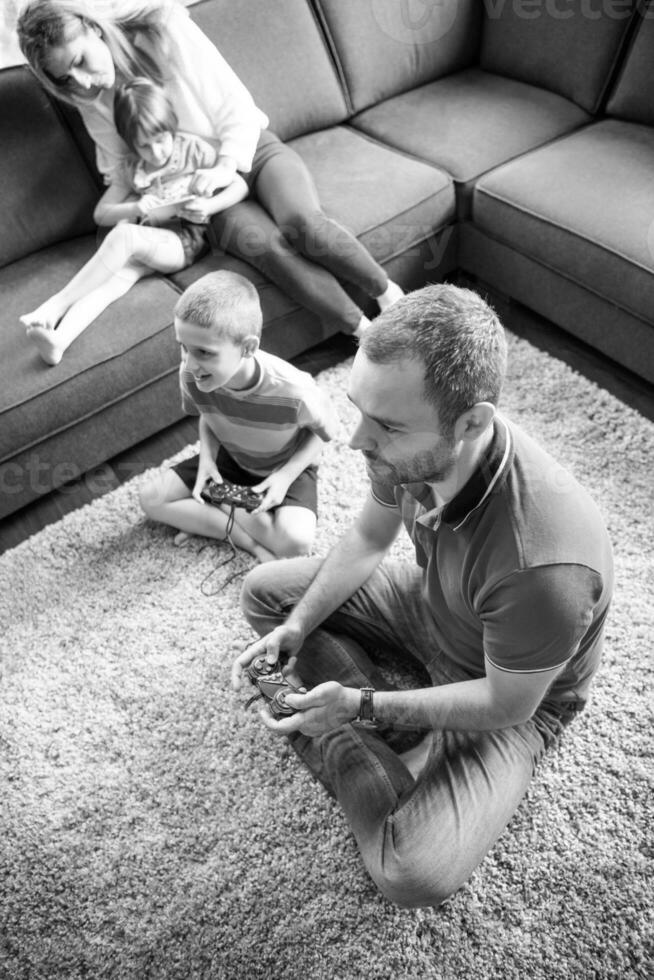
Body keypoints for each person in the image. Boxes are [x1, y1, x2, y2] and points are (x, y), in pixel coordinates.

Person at [232, 283, 614, 908]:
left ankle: (338, 721)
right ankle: (350, 718)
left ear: (471, 423)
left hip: (509, 688)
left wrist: (361, 707)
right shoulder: (407, 452)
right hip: (435, 602)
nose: (356, 441)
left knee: (410, 874)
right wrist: (299, 629)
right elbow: (368, 537)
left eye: (384, 425)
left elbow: (506, 703)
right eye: (359, 409)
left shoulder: (543, 563)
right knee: (266, 596)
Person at [17, 0, 404, 349]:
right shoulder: (90, 98)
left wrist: (222, 167)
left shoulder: (162, 27)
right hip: (205, 200)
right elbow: (121, 167)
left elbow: (234, 105)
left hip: (251, 151)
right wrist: (152, 201)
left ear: (94, 28)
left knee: (301, 222)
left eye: (81, 61)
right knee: (268, 248)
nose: (82, 82)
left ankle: (390, 296)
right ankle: (366, 335)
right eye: (65, 78)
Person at [19, 76, 248, 365]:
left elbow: (240, 186)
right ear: (130, 143)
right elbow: (100, 214)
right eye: (144, 146)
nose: (156, 152)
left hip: (185, 239)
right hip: (148, 239)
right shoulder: (132, 168)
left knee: (124, 236)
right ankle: (59, 341)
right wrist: (136, 205)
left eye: (161, 140)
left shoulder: (193, 150)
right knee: (109, 284)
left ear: (171, 127)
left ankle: (55, 305)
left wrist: (209, 204)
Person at [139, 270, 336, 561]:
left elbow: (324, 436)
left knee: (296, 544)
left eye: (204, 352)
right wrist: (207, 457)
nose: (190, 364)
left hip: (284, 466)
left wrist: (284, 477)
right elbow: (207, 416)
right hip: (228, 460)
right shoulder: (192, 376)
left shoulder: (295, 390)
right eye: (184, 348)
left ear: (248, 347)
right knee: (150, 499)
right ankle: (250, 544)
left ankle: (215, 509)